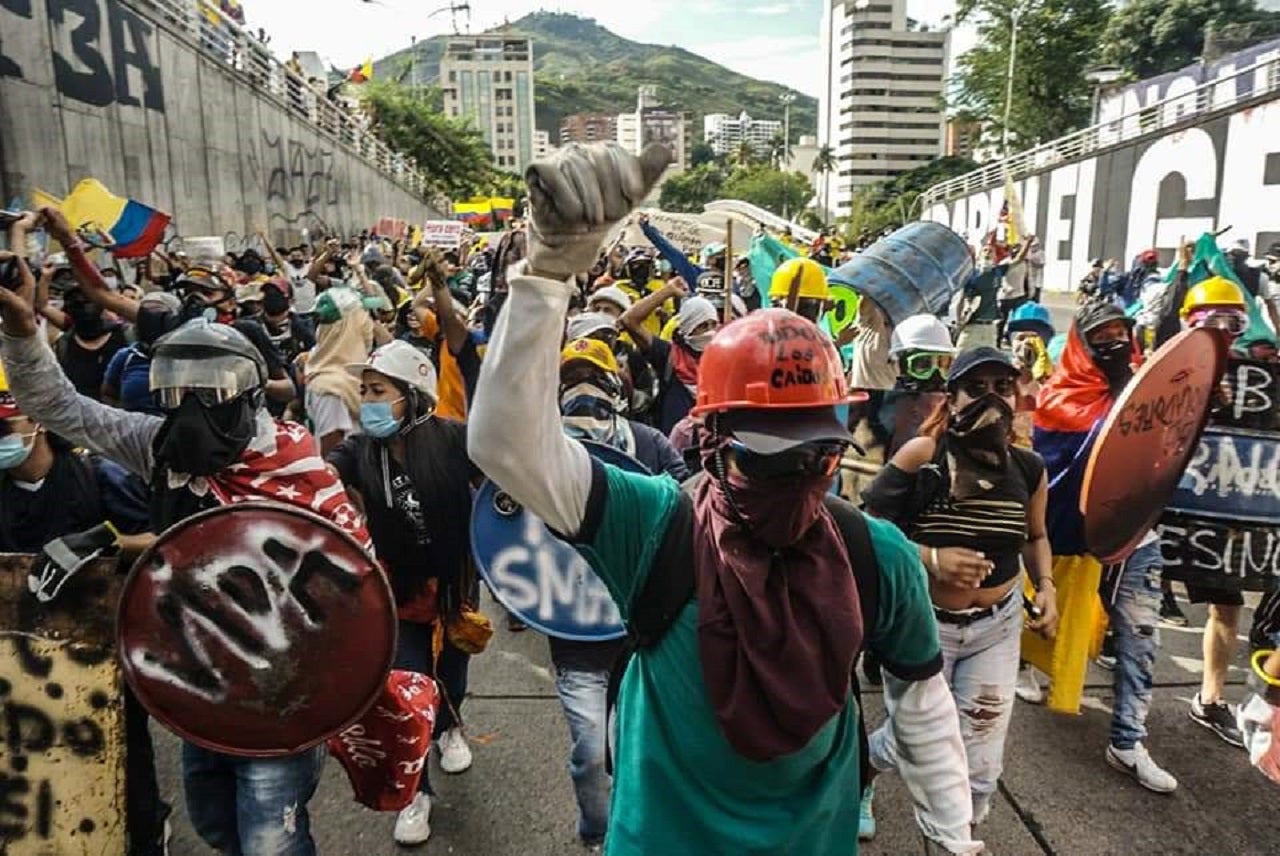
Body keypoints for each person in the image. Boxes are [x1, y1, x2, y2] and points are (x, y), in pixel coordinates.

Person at [469, 141, 980, 856]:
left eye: (817, 456)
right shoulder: (654, 524)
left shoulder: (875, 554)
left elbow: (923, 706)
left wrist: (952, 836)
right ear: (709, 442)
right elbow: (506, 447)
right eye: (763, 458)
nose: (796, 478)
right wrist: (545, 275)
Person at [0, 212, 372, 855]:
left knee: (268, 837)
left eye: (214, 391)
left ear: (249, 394)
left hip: (281, 691)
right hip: (195, 680)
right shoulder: (160, 446)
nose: (193, 410)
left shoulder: (294, 464)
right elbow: (61, 408)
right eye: (177, 392)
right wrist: (20, 328)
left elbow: (350, 581)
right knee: (218, 827)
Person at [862, 346, 1057, 833]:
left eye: (1003, 387)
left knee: (982, 754)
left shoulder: (1029, 468)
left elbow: (1035, 536)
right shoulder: (923, 456)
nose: (990, 398)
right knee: (913, 733)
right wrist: (930, 559)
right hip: (922, 624)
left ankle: (958, 832)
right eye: (976, 387)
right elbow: (869, 529)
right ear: (950, 397)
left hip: (997, 626)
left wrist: (1048, 587)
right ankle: (858, 778)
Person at [327, 340, 482, 847]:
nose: (368, 400)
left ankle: (450, 728)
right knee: (409, 686)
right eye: (364, 390)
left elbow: (502, 493)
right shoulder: (358, 451)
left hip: (454, 589)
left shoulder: (457, 440)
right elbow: (322, 476)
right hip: (395, 594)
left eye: (379, 391)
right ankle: (417, 792)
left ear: (412, 395)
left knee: (451, 678)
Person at [1032, 301, 1178, 793]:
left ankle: (1128, 739)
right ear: (1082, 343)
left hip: (1138, 536)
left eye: (1122, 332)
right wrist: (1123, 411)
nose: (1114, 341)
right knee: (1048, 622)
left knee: (1139, 637)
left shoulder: (1153, 389)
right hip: (1077, 539)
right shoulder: (1059, 399)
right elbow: (1068, 470)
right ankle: (1032, 669)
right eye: (1102, 335)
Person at [551, 337, 688, 846]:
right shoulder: (539, 456)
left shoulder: (649, 443)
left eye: (591, 376)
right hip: (572, 625)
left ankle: (635, 830)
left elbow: (686, 498)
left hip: (640, 628)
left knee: (641, 746)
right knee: (591, 752)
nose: (579, 389)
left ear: (616, 385)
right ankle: (598, 829)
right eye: (568, 379)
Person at [1177, 276, 1251, 749]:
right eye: (1212, 320)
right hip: (1161, 508)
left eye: (1234, 321)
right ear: (1189, 322)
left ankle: (1210, 696)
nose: (1224, 330)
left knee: (1227, 606)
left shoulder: (1254, 381)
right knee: (1121, 602)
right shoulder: (1165, 371)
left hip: (1219, 515)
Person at [619, 279, 717, 436]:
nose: (709, 332)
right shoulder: (668, 355)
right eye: (702, 326)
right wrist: (667, 291)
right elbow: (629, 320)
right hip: (673, 446)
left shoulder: (720, 360)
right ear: (687, 327)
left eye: (713, 325)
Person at [304, 286, 379, 454]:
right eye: (364, 316)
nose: (370, 324)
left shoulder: (340, 370)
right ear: (348, 325)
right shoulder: (332, 387)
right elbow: (332, 448)